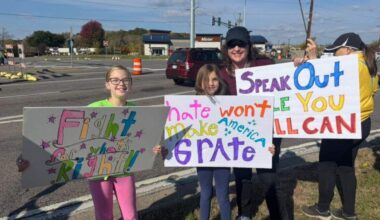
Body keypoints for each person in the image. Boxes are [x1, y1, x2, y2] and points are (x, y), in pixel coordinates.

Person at [300, 33, 378, 220]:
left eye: (337, 51)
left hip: (344, 124)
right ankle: (348, 212)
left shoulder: (352, 67)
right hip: (362, 122)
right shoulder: (367, 65)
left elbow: (325, 86)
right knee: (345, 166)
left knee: (326, 163)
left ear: (349, 50)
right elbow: (373, 89)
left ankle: (323, 208)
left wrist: (313, 60)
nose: (334, 55)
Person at [219, 26, 283, 220]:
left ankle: (277, 214)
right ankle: (244, 213)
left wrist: (303, 63)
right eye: (232, 44)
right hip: (238, 132)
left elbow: (289, 83)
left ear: (249, 46)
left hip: (267, 131)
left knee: (268, 176)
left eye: (241, 44)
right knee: (242, 176)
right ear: (226, 48)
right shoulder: (221, 72)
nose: (236, 48)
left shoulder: (265, 65)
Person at [86, 65, 138, 220]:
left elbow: (140, 140)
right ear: (107, 84)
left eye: (125, 80)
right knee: (103, 215)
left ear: (130, 83)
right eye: (115, 80)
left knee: (131, 215)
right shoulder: (93, 108)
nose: (121, 84)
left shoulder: (136, 110)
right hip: (98, 172)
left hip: (125, 170)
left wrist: (152, 148)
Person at [194, 64, 231, 220]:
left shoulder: (228, 103)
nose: (210, 83)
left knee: (223, 195)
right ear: (199, 82)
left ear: (219, 80)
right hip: (203, 158)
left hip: (223, 157)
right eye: (206, 79)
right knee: (205, 193)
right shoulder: (190, 105)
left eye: (214, 79)